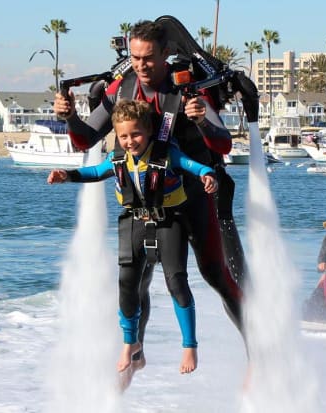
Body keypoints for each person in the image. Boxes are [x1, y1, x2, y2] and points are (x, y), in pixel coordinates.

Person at [53, 20, 245, 368]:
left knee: (214, 274)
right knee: (135, 280)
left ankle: (257, 353)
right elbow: (86, 140)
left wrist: (201, 120)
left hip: (191, 197)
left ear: (166, 54)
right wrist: (69, 119)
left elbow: (223, 144)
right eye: (135, 57)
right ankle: (135, 352)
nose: (141, 65)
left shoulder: (190, 89)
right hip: (144, 203)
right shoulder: (121, 90)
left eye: (149, 58)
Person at [47, 99, 219, 377]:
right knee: (127, 285)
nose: (130, 141)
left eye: (136, 134)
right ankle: (130, 342)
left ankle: (189, 345)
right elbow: (93, 173)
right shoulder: (117, 159)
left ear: (149, 131)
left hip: (169, 221)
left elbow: (196, 167)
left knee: (176, 281)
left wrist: (208, 175)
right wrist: (66, 175)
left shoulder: (167, 154)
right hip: (133, 222)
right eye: (123, 136)